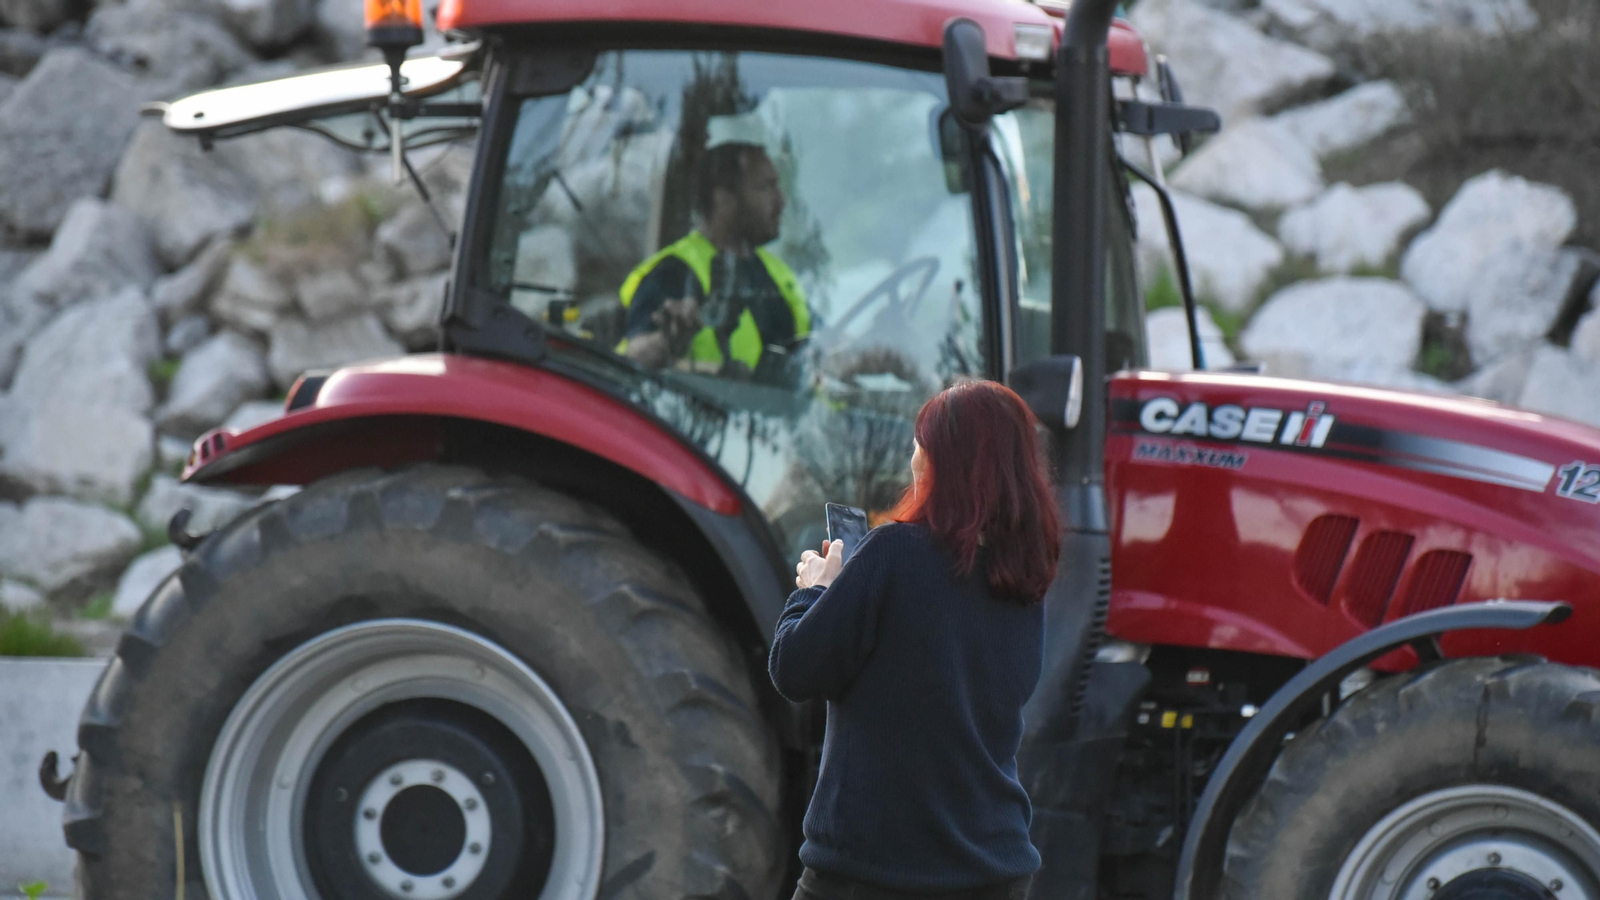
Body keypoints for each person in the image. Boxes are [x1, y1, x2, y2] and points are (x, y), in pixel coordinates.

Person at [768, 379, 1061, 900]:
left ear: (941, 463)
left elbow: (794, 668)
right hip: (996, 870)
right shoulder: (1026, 581)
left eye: (920, 444)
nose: (913, 456)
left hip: (874, 872)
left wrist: (816, 591)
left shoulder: (893, 554)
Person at [618, 141, 810, 383]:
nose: (781, 202)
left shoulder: (780, 275)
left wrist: (856, 359)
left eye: (777, 186)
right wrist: (668, 341)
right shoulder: (671, 272)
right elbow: (630, 362)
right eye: (765, 188)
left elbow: (811, 363)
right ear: (723, 200)